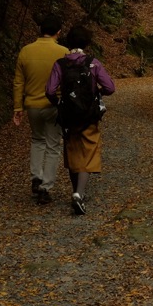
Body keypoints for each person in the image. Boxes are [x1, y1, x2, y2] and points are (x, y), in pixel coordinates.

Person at [46, 25, 116, 216]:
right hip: (88, 115)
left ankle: (75, 189)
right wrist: (96, 92)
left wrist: (59, 103)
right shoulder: (93, 63)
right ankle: (79, 194)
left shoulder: (60, 64)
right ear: (87, 43)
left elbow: (50, 90)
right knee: (89, 151)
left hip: (68, 116)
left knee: (72, 151)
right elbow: (110, 87)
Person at [12, 14, 69, 205]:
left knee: (37, 140)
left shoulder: (26, 51)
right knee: (53, 146)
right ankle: (46, 187)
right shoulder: (63, 52)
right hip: (54, 105)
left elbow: (19, 82)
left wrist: (18, 106)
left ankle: (36, 177)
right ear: (58, 33)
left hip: (32, 105)